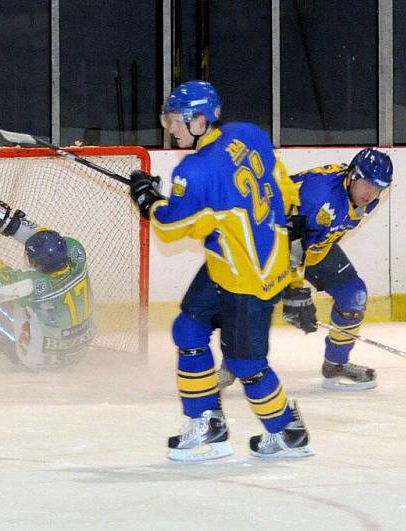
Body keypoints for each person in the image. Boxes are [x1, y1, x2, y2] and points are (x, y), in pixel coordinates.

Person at [128, 80, 314, 461]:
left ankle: (288, 430)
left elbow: (172, 226)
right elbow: (282, 186)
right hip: (234, 262)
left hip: (249, 277)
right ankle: (208, 424)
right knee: (189, 327)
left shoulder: (195, 170)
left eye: (176, 121)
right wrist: (293, 259)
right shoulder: (246, 133)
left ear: (199, 121)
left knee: (247, 364)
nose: (170, 128)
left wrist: (147, 200)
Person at [219, 149, 393, 391]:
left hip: (311, 246)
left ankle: (335, 364)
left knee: (354, 295)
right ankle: (232, 365)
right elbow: (291, 240)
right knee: (258, 302)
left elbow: (314, 238)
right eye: (366, 184)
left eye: (378, 188)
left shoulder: (367, 199)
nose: (370, 193)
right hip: (269, 242)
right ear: (352, 175)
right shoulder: (320, 196)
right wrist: (295, 290)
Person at [0, 218, 95, 370]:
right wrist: (6, 222)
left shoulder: (29, 284)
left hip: (37, 361)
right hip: (79, 352)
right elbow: (43, 234)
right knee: (25, 305)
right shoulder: (77, 252)